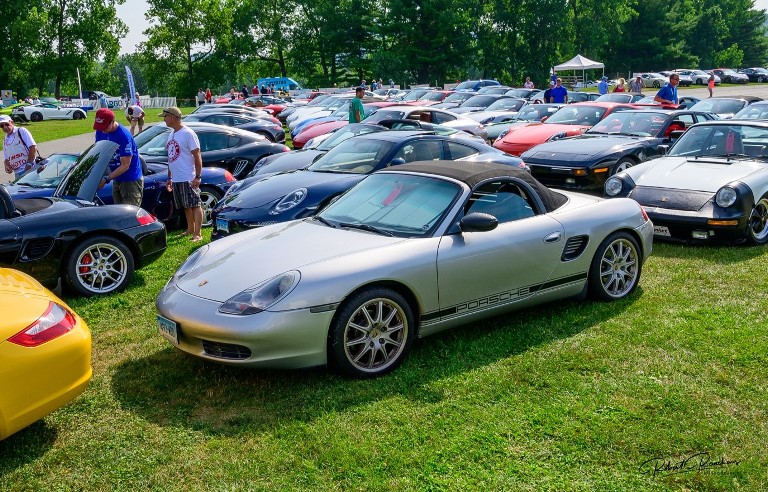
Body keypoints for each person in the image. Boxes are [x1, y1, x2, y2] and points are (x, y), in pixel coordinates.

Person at [160, 106, 204, 242]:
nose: (164, 119)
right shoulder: (171, 134)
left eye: (165, 117)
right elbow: (171, 157)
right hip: (177, 178)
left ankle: (198, 233)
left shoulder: (188, 133)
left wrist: (197, 176)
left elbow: (197, 156)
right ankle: (190, 229)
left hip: (188, 176)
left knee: (195, 204)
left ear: (172, 117)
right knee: (185, 205)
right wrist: (169, 177)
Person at [92, 108, 143, 207]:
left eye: (105, 126)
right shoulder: (100, 132)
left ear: (112, 122)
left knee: (129, 213)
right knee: (118, 211)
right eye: (99, 127)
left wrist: (106, 179)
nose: (102, 130)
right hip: (116, 177)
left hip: (130, 179)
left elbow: (125, 165)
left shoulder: (123, 135)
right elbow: (99, 154)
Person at [2, 114, 38, 182]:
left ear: (12, 122)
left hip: (29, 170)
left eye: (6, 124)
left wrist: (29, 164)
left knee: (32, 191)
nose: (4, 127)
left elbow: (33, 147)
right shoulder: (5, 140)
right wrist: (6, 166)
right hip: (17, 173)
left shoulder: (21, 131)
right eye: (1, 126)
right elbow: (6, 159)